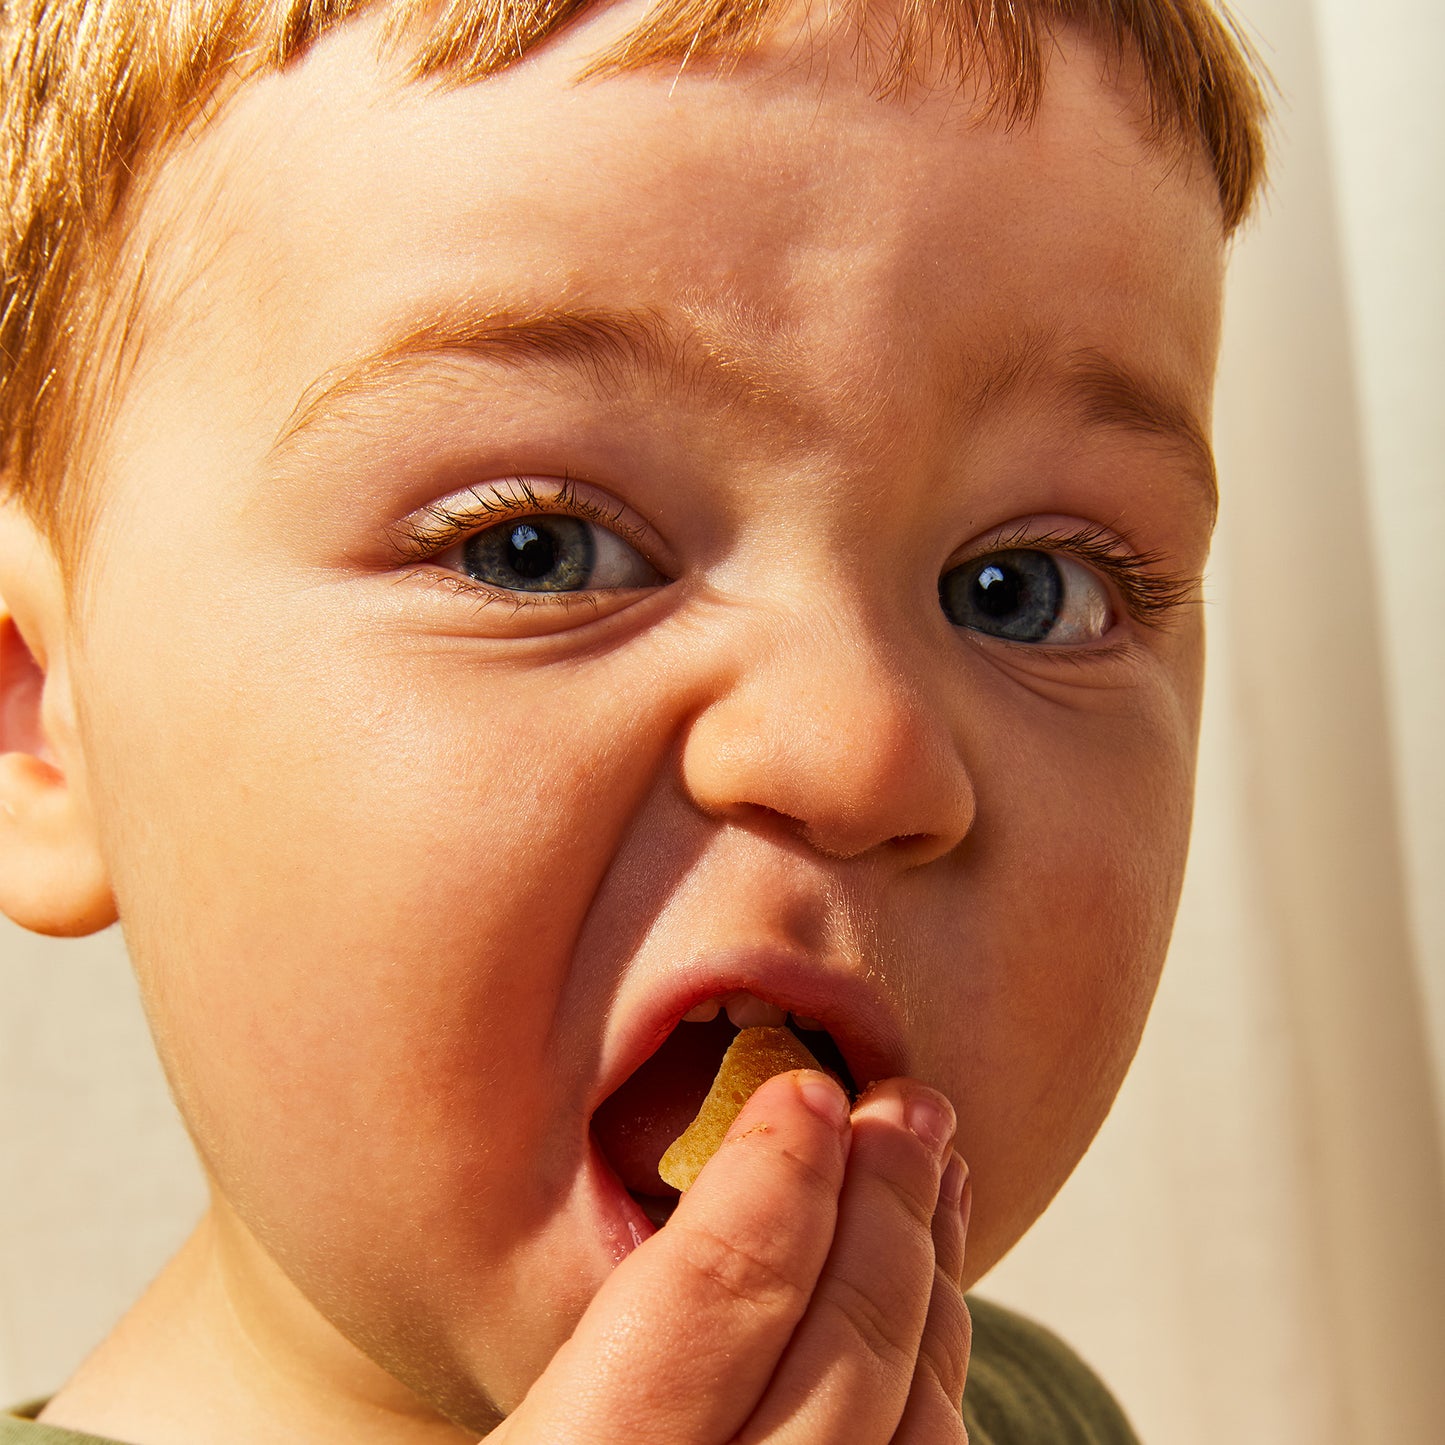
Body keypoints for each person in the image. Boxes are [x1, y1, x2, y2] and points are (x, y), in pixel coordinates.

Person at [0, 0, 1268, 1439]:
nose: (857, 749)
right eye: (531, 548)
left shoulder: (1025, 1407)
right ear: (41, 714)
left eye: (1020, 589)